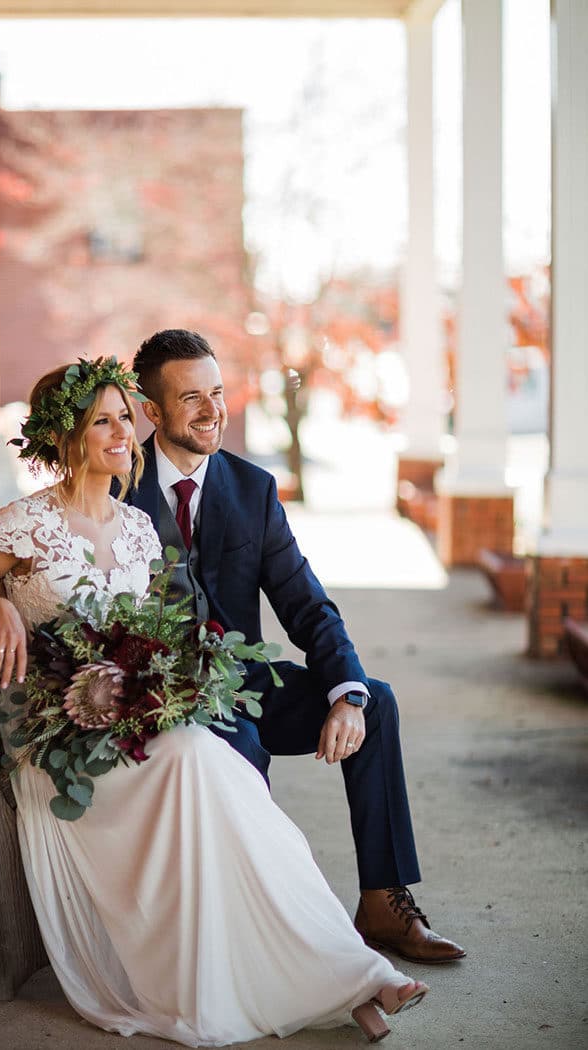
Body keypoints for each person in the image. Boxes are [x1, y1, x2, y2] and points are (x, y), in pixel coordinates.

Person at [0, 357, 428, 1046]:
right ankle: (320, 973)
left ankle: (343, 965)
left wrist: (191, 685)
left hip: (150, 716)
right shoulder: (25, 523)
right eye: (105, 420)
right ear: (66, 435)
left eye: (123, 416)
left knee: (224, 760)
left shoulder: (138, 527)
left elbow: (203, 624)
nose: (122, 431)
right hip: (69, 738)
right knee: (208, 762)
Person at [124, 329, 466, 966]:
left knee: (377, 703)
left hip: (244, 682)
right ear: (153, 411)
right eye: (191, 397)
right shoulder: (120, 488)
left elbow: (306, 604)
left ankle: (382, 903)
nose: (212, 410)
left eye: (218, 392)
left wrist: (346, 692)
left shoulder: (251, 489)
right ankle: (258, 927)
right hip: (164, 696)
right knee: (239, 748)